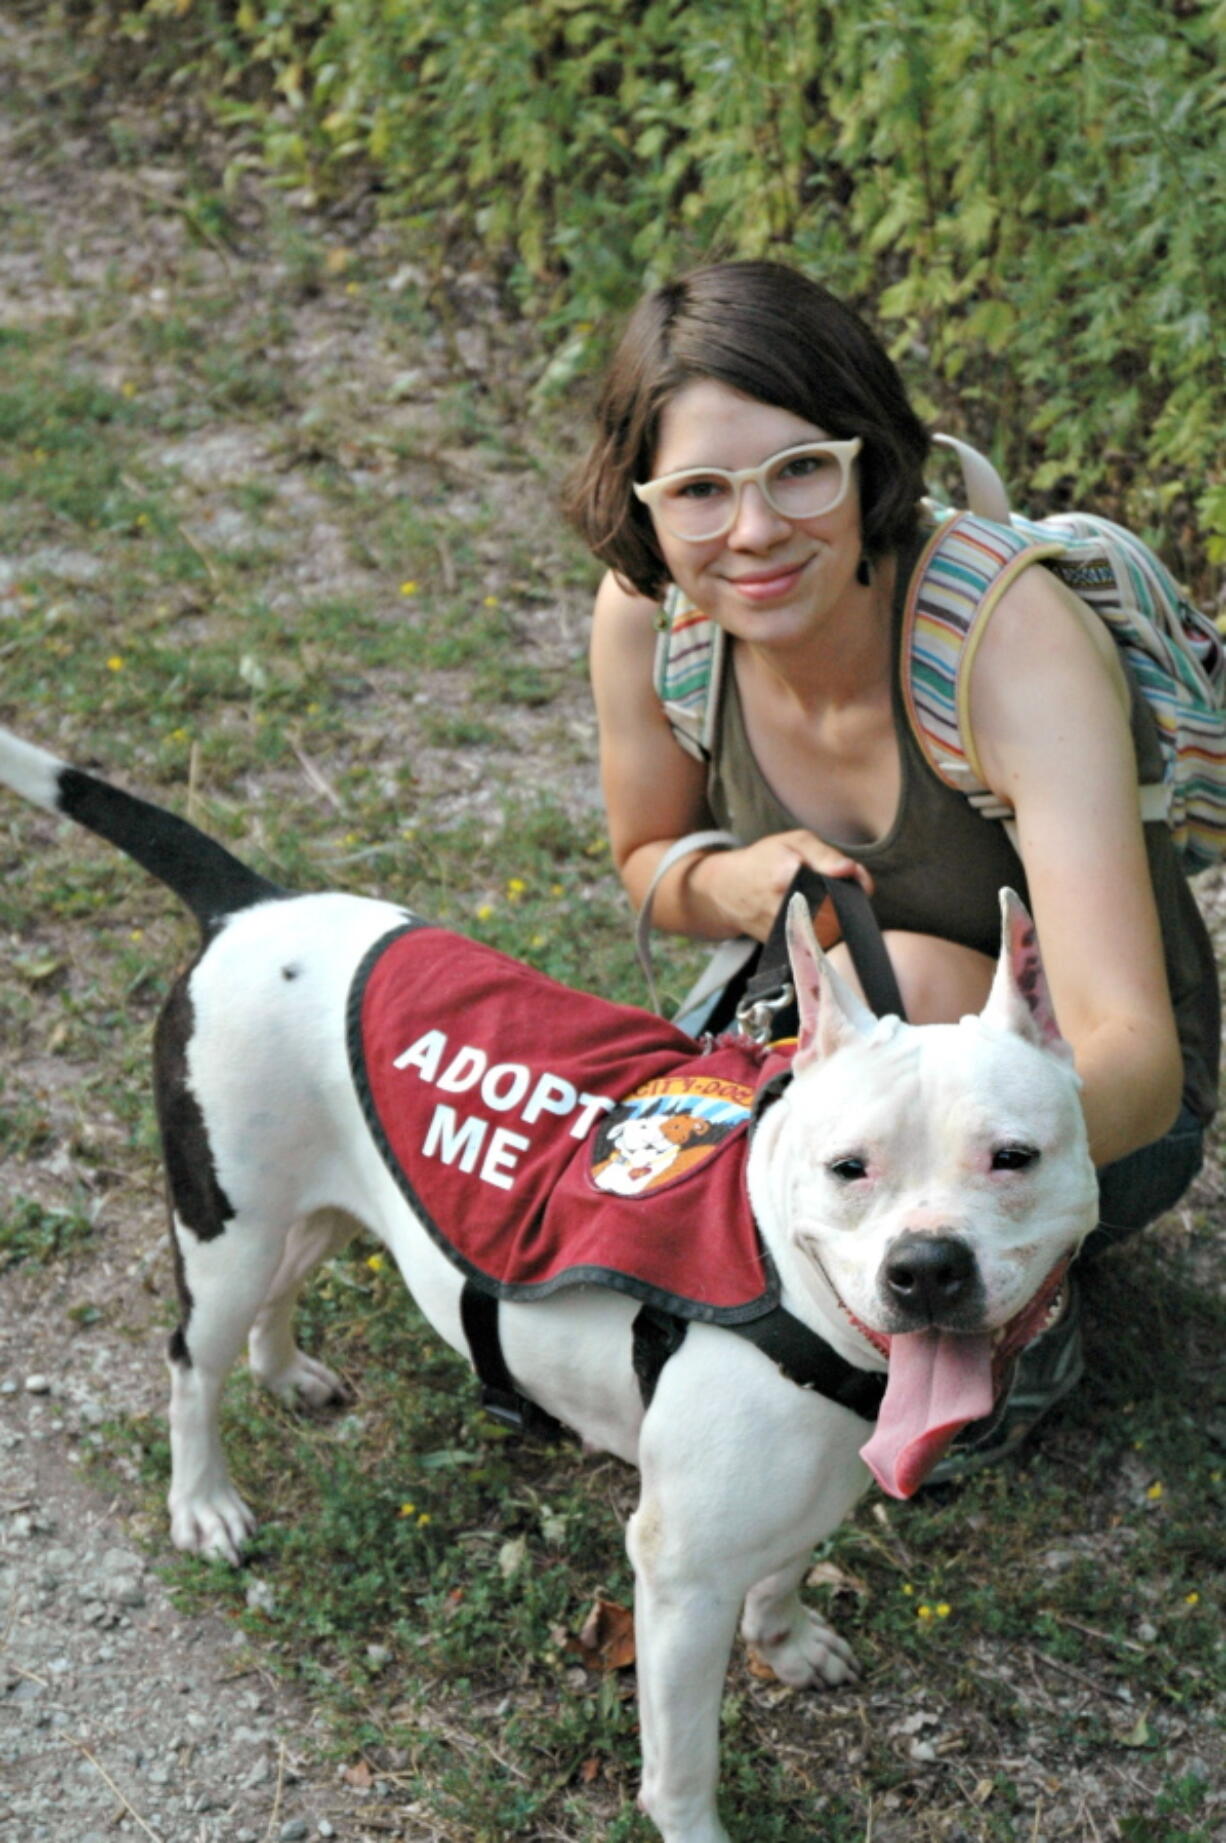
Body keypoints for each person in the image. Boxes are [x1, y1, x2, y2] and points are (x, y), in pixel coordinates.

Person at [566, 259, 1216, 1472]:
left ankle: (1015, 1314)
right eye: (699, 490)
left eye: (798, 469)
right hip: (838, 1053)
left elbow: (1128, 1041)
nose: (752, 530)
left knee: (901, 978)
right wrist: (741, 882)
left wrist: (982, 1161)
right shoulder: (653, 614)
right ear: (643, 502)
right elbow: (649, 858)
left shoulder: (1004, 641)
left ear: (869, 455)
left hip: (1084, 1113)